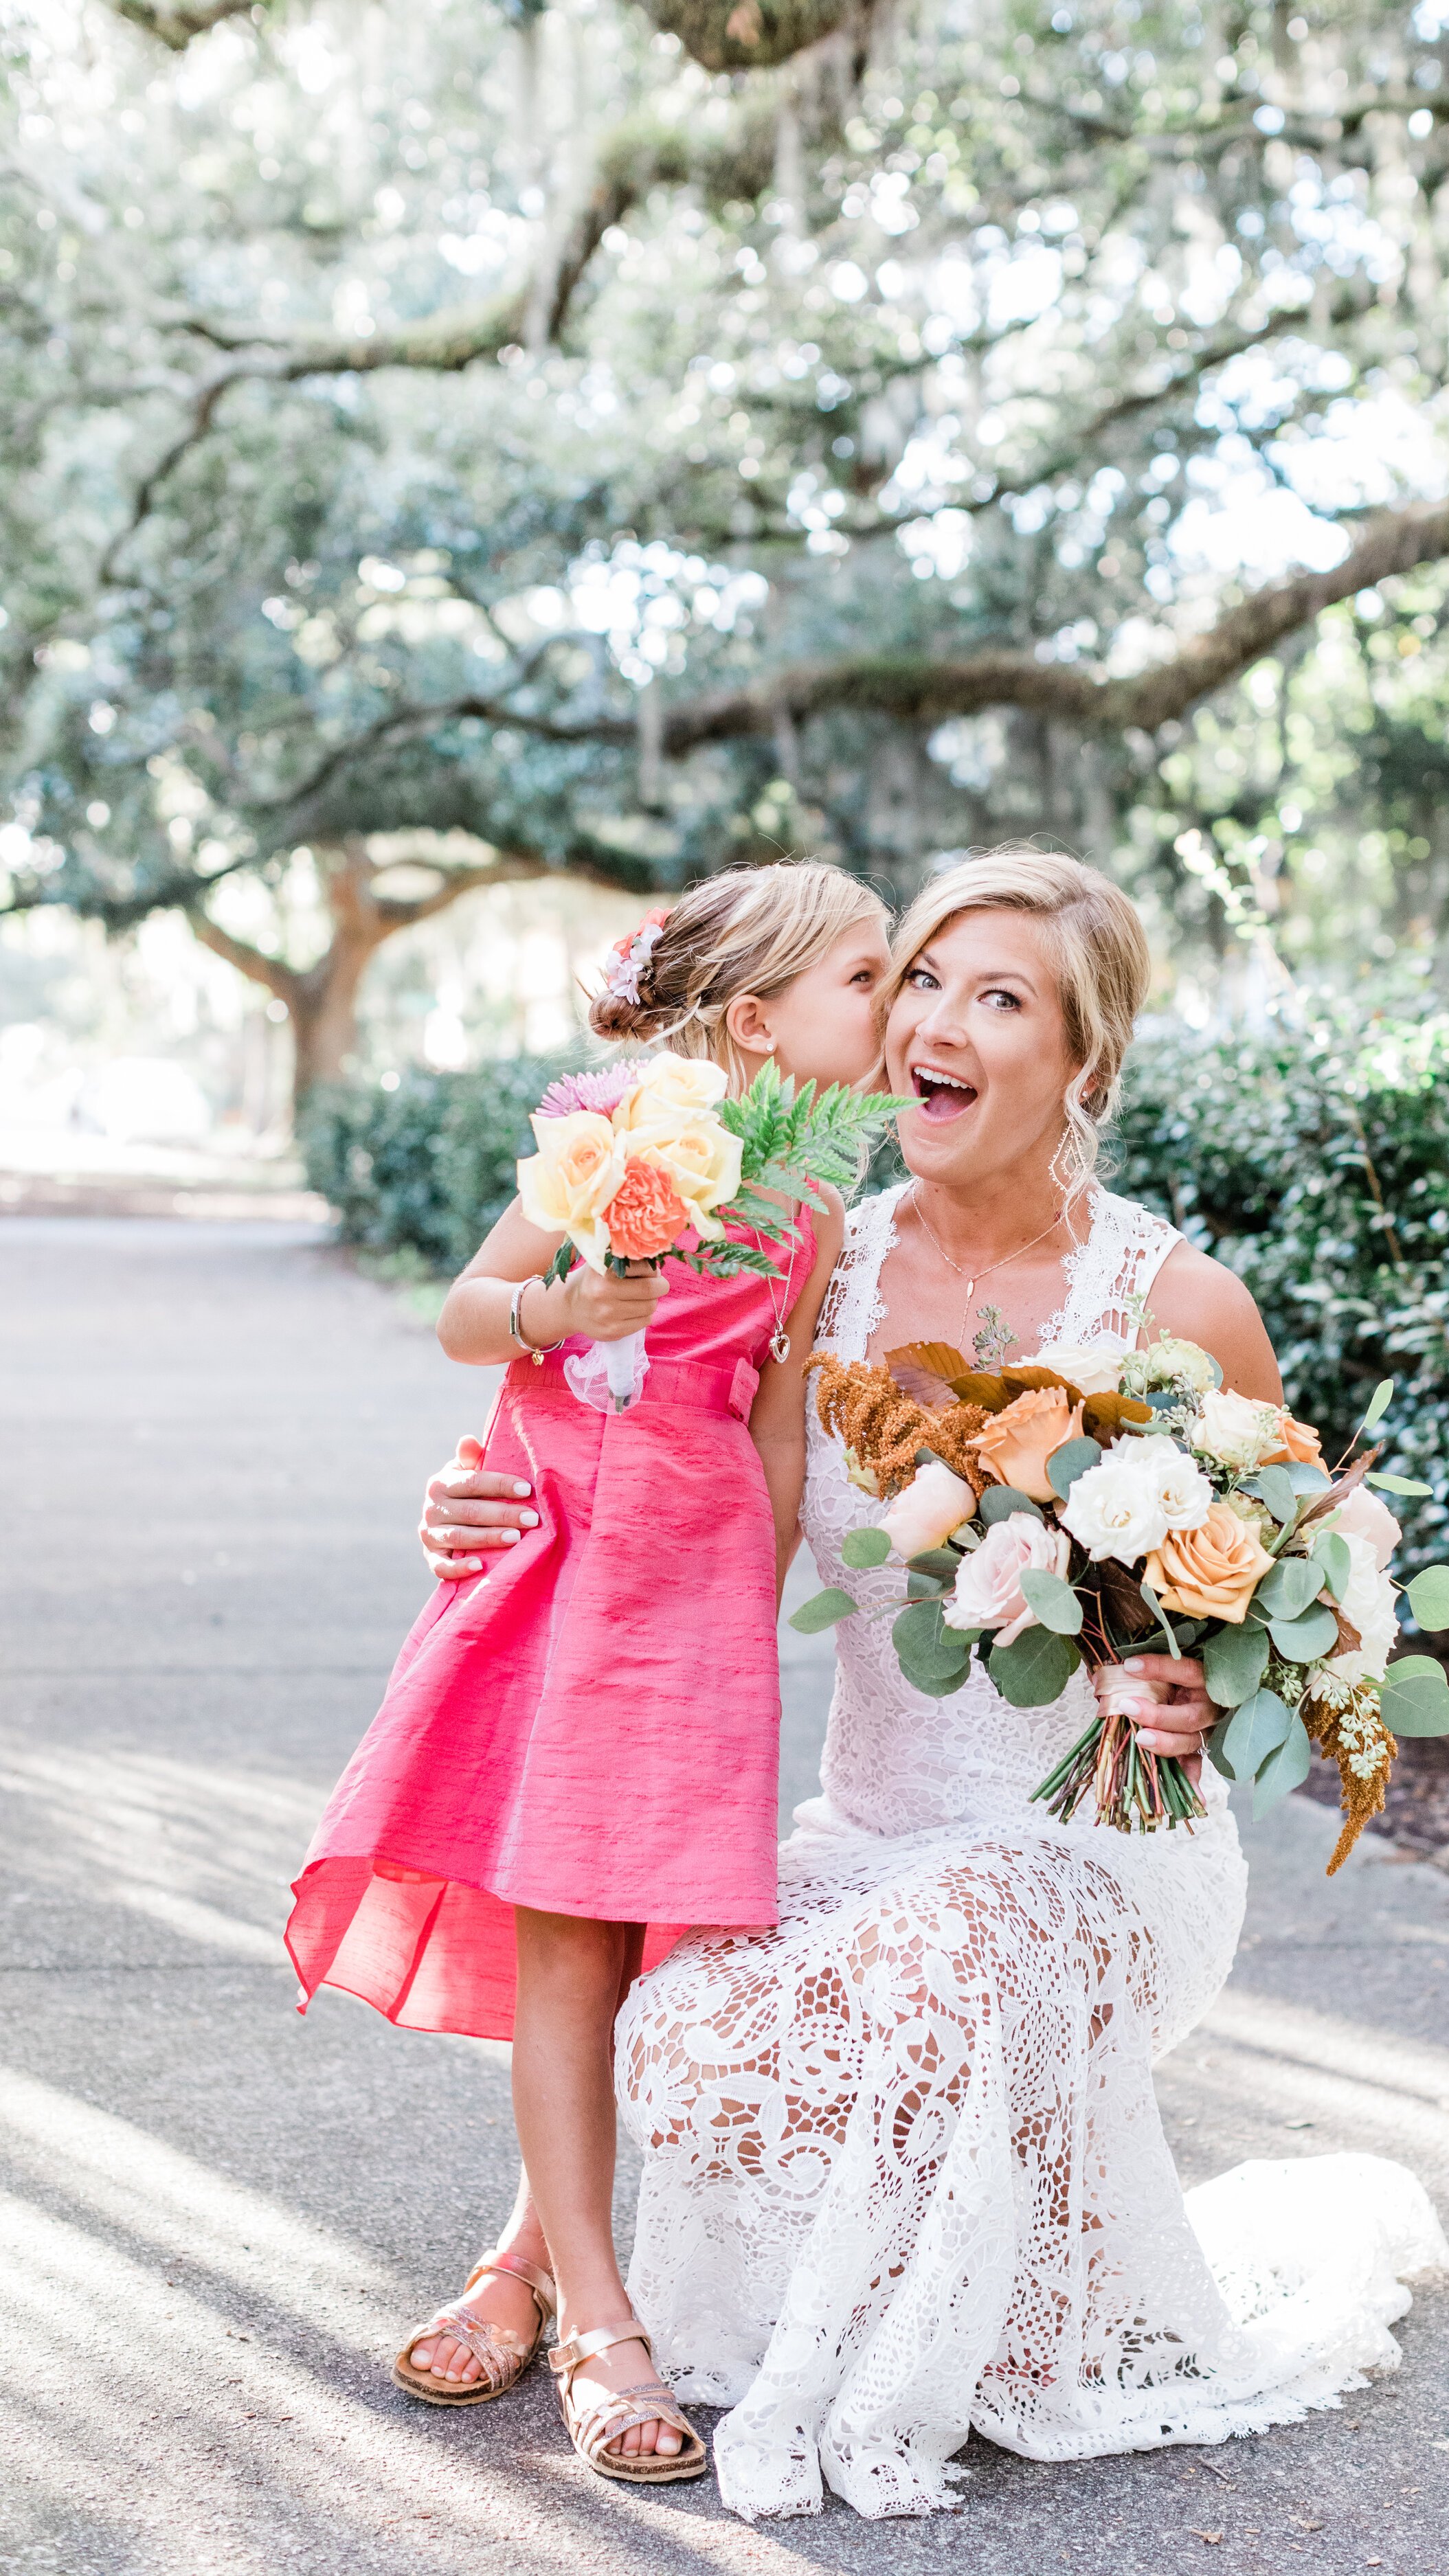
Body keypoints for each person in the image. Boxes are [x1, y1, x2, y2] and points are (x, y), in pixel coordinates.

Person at [417, 848, 1446, 2520]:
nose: (932, 1023)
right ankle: (556, 2267)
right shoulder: (808, 1246)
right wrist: (486, 1508)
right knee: (681, 2030)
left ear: (1082, 1063)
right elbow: (662, 1451)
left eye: (999, 996)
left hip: (1092, 1861)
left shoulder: (1174, 1301)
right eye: (917, 981)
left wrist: (1199, 1685)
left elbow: (1324, 1582)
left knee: (958, 1950)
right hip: (867, 1837)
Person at [285, 861, 892, 2483]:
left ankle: (521, 2260)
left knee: (624, 1942)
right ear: (757, 1016)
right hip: (565, 1562)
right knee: (566, 1935)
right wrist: (561, 1301)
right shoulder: (617, 1130)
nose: (889, 1005)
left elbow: (772, 1418)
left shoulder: (813, 1204)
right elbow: (471, 1317)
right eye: (866, 975)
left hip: (693, 1588)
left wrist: (749, 1625)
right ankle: (598, 2328)